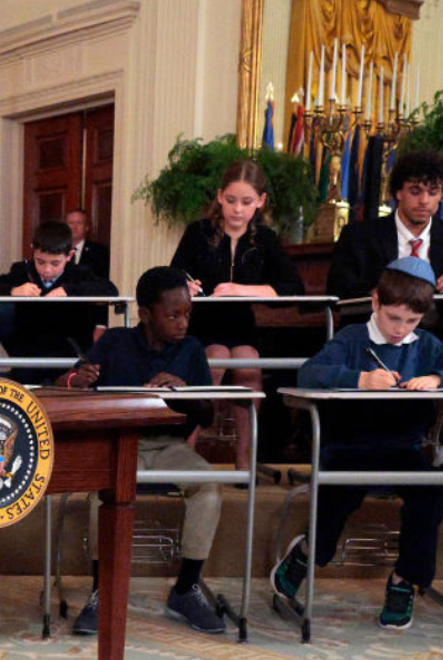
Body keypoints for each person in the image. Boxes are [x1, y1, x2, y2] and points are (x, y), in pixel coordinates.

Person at [274, 257, 443, 630]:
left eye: (411, 321)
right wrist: (360, 380)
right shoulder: (351, 339)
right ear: (375, 303)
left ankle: (404, 580)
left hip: (403, 449)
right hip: (349, 446)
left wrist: (435, 377)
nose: (400, 330)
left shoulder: (428, 345)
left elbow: (440, 366)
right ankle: (306, 553)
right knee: (339, 494)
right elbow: (309, 373)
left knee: (430, 493)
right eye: (393, 318)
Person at [58, 266, 224, 635]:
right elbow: (66, 381)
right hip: (119, 443)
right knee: (105, 493)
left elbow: (208, 414)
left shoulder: (192, 349)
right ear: (146, 314)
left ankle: (186, 587)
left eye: (187, 314)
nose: (182, 323)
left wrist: (184, 391)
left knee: (208, 486)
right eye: (173, 315)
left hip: (169, 446)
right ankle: (102, 591)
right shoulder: (115, 342)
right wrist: (77, 379)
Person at [170, 159, 304, 471]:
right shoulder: (198, 232)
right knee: (214, 357)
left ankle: (244, 459)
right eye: (231, 201)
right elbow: (173, 275)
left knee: (248, 362)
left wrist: (244, 289)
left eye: (246, 202)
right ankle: (184, 456)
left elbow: (292, 288)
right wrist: (185, 285)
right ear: (219, 197)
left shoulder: (266, 238)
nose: (238, 210)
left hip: (241, 325)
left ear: (261, 201)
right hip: (201, 325)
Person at [0, 220, 117, 384]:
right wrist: (14, 291)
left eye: (55, 263)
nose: (47, 269)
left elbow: (110, 290)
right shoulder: (23, 271)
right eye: (40, 261)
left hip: (69, 354)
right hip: (29, 354)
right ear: (33, 251)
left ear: (69, 256)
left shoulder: (78, 273)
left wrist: (68, 291)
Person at [328, 150, 443, 299]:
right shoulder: (358, 237)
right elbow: (337, 294)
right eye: (415, 192)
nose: (424, 200)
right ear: (398, 193)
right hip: (375, 319)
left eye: (433, 193)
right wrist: (383, 294)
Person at [66, 208, 110, 279]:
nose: (74, 227)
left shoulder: (99, 252)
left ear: (86, 227)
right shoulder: (57, 250)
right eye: (71, 223)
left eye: (79, 223)